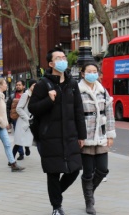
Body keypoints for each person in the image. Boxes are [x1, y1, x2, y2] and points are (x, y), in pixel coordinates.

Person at [28, 47, 87, 215]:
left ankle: (56, 194)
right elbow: (33, 108)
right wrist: (49, 100)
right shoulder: (42, 84)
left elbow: (78, 111)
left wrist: (82, 135)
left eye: (64, 57)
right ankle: (57, 207)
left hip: (70, 134)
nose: (63, 60)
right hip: (50, 135)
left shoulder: (72, 83)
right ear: (51, 63)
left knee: (75, 169)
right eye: (58, 58)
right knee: (53, 172)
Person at [78, 62, 116, 214]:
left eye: (95, 71)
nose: (92, 74)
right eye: (89, 71)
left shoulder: (102, 91)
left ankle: (89, 193)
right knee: (88, 172)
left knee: (102, 169)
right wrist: (78, 136)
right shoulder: (78, 91)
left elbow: (109, 113)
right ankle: (89, 202)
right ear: (83, 73)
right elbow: (75, 116)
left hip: (100, 135)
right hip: (85, 136)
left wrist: (110, 134)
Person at [12, 79, 37, 163]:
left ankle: (27, 149)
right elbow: (18, 108)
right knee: (19, 141)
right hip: (24, 121)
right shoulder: (26, 95)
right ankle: (11, 159)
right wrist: (27, 118)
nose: (35, 87)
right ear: (30, 86)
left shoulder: (35, 95)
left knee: (26, 139)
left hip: (31, 122)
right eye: (34, 85)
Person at [7, 80, 28, 160]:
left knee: (26, 135)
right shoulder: (12, 96)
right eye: (17, 85)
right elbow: (8, 108)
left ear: (23, 86)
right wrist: (9, 121)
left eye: (19, 85)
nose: (18, 86)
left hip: (25, 118)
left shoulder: (27, 95)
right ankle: (21, 153)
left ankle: (27, 147)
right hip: (16, 119)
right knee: (18, 136)